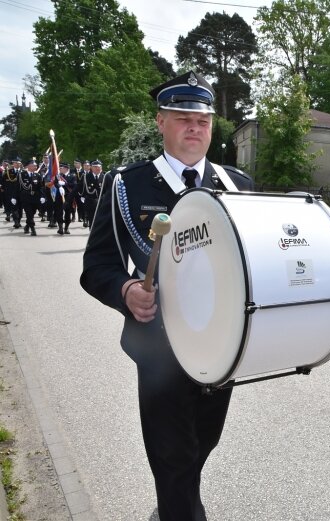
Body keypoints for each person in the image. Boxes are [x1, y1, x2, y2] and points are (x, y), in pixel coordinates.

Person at [80, 70, 252, 520]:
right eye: (182, 118)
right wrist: (125, 290)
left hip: (221, 343)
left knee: (202, 441)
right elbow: (96, 266)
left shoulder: (238, 185)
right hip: (160, 347)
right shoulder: (127, 184)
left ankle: (174, 505)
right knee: (174, 454)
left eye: (203, 120)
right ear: (160, 122)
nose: (194, 128)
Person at [19, 158, 45, 236]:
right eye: (34, 166)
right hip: (26, 197)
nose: (36, 167)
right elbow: (19, 186)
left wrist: (43, 196)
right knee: (29, 213)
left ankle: (27, 226)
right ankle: (33, 229)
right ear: (29, 166)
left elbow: (41, 187)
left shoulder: (37, 175)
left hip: (35, 198)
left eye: (36, 166)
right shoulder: (22, 175)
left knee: (32, 213)